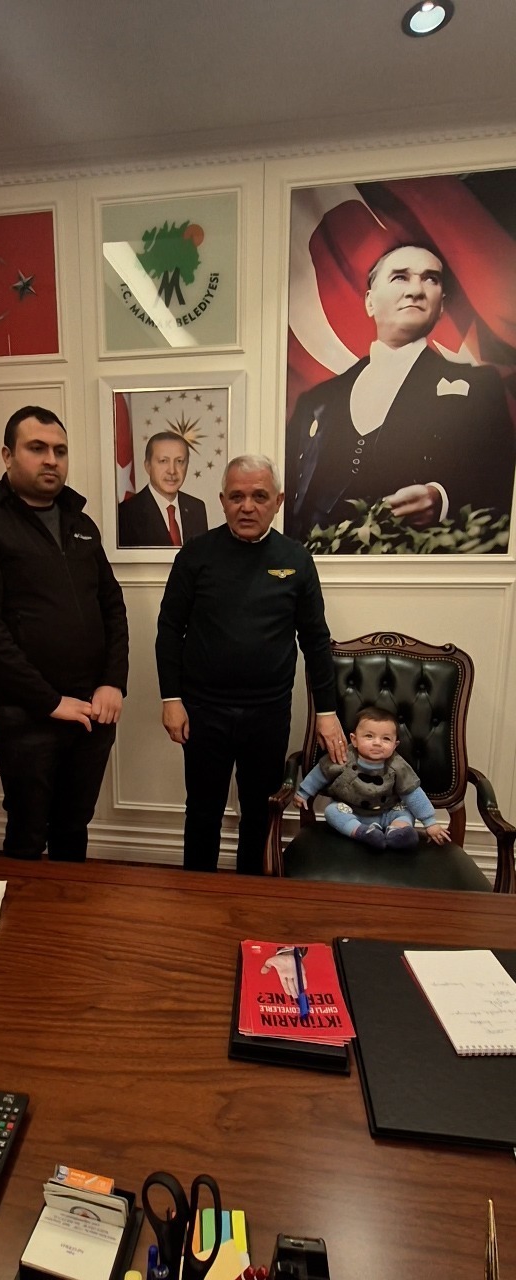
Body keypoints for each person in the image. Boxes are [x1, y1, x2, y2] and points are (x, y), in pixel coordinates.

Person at [0, 405, 128, 862]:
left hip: (92, 709)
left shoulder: (80, 523)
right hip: (27, 714)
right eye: (37, 448)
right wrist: (49, 701)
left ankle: (71, 909)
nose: (51, 459)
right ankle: (26, 912)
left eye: (60, 451)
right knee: (28, 835)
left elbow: (112, 607)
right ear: (8, 456)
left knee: (74, 826)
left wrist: (113, 682)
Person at [155, 454, 346, 875]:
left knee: (260, 812)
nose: (247, 506)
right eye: (237, 496)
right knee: (202, 811)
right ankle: (196, 895)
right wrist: (171, 698)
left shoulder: (296, 559)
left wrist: (327, 712)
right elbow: (169, 629)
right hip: (202, 711)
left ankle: (251, 899)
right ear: (222, 500)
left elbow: (315, 639)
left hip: (268, 712)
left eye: (259, 496)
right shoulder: (195, 555)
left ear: (278, 501)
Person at [285, 244, 515, 544]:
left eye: (431, 279)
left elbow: (501, 482)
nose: (416, 291)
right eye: (400, 277)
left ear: (441, 306)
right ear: (370, 302)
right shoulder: (316, 401)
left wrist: (442, 498)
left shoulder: (479, 388)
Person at [295, 705, 450, 849]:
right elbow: (321, 772)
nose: (377, 743)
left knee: (406, 812)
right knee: (332, 811)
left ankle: (397, 833)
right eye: (369, 736)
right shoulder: (344, 757)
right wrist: (304, 792)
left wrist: (430, 822)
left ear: (395, 745)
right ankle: (362, 832)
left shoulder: (398, 765)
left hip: (387, 811)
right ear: (354, 740)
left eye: (386, 739)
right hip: (351, 811)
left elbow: (413, 793)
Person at [118, 431, 208, 547]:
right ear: (148, 466)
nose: (172, 471)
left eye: (179, 461)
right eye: (163, 461)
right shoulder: (126, 513)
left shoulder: (197, 508)